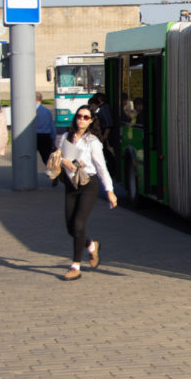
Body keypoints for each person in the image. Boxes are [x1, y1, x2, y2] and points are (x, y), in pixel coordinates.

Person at [57, 106, 117, 281]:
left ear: (91, 121)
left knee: (78, 225)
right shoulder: (65, 138)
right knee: (70, 227)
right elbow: (57, 156)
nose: (81, 119)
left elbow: (101, 167)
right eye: (79, 116)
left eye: (86, 117)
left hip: (88, 184)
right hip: (71, 185)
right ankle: (91, 246)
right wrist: (64, 162)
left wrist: (110, 191)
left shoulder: (93, 141)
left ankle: (75, 266)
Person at [35, 92, 57, 186]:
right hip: (45, 136)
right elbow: (51, 126)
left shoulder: (30, 111)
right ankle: (54, 175)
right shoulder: (47, 111)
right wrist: (52, 138)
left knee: (29, 157)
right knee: (47, 158)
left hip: (32, 136)